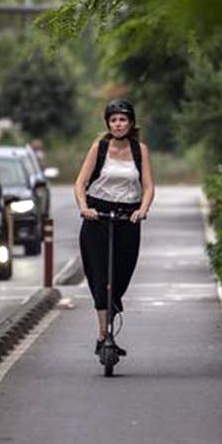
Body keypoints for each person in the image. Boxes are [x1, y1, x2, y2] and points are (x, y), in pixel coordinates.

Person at [72, 99, 155, 357]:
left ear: (130, 123)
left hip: (127, 217)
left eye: (123, 119)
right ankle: (103, 335)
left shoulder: (140, 150)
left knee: (120, 276)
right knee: (100, 277)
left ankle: (110, 320)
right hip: (98, 215)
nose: (118, 124)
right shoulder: (99, 147)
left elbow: (149, 186)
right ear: (108, 124)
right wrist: (85, 207)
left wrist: (143, 209)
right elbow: (80, 183)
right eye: (114, 120)